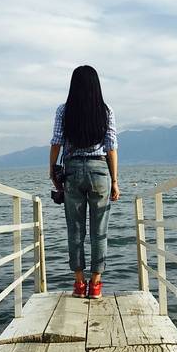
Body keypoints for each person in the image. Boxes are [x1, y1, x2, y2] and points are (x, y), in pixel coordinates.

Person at [50, 66, 119, 298]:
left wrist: (52, 171)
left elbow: (56, 142)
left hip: (72, 171)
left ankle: (79, 284)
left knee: (75, 230)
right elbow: (111, 147)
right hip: (100, 171)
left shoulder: (64, 110)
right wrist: (115, 181)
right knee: (99, 231)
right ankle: (96, 285)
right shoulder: (106, 111)